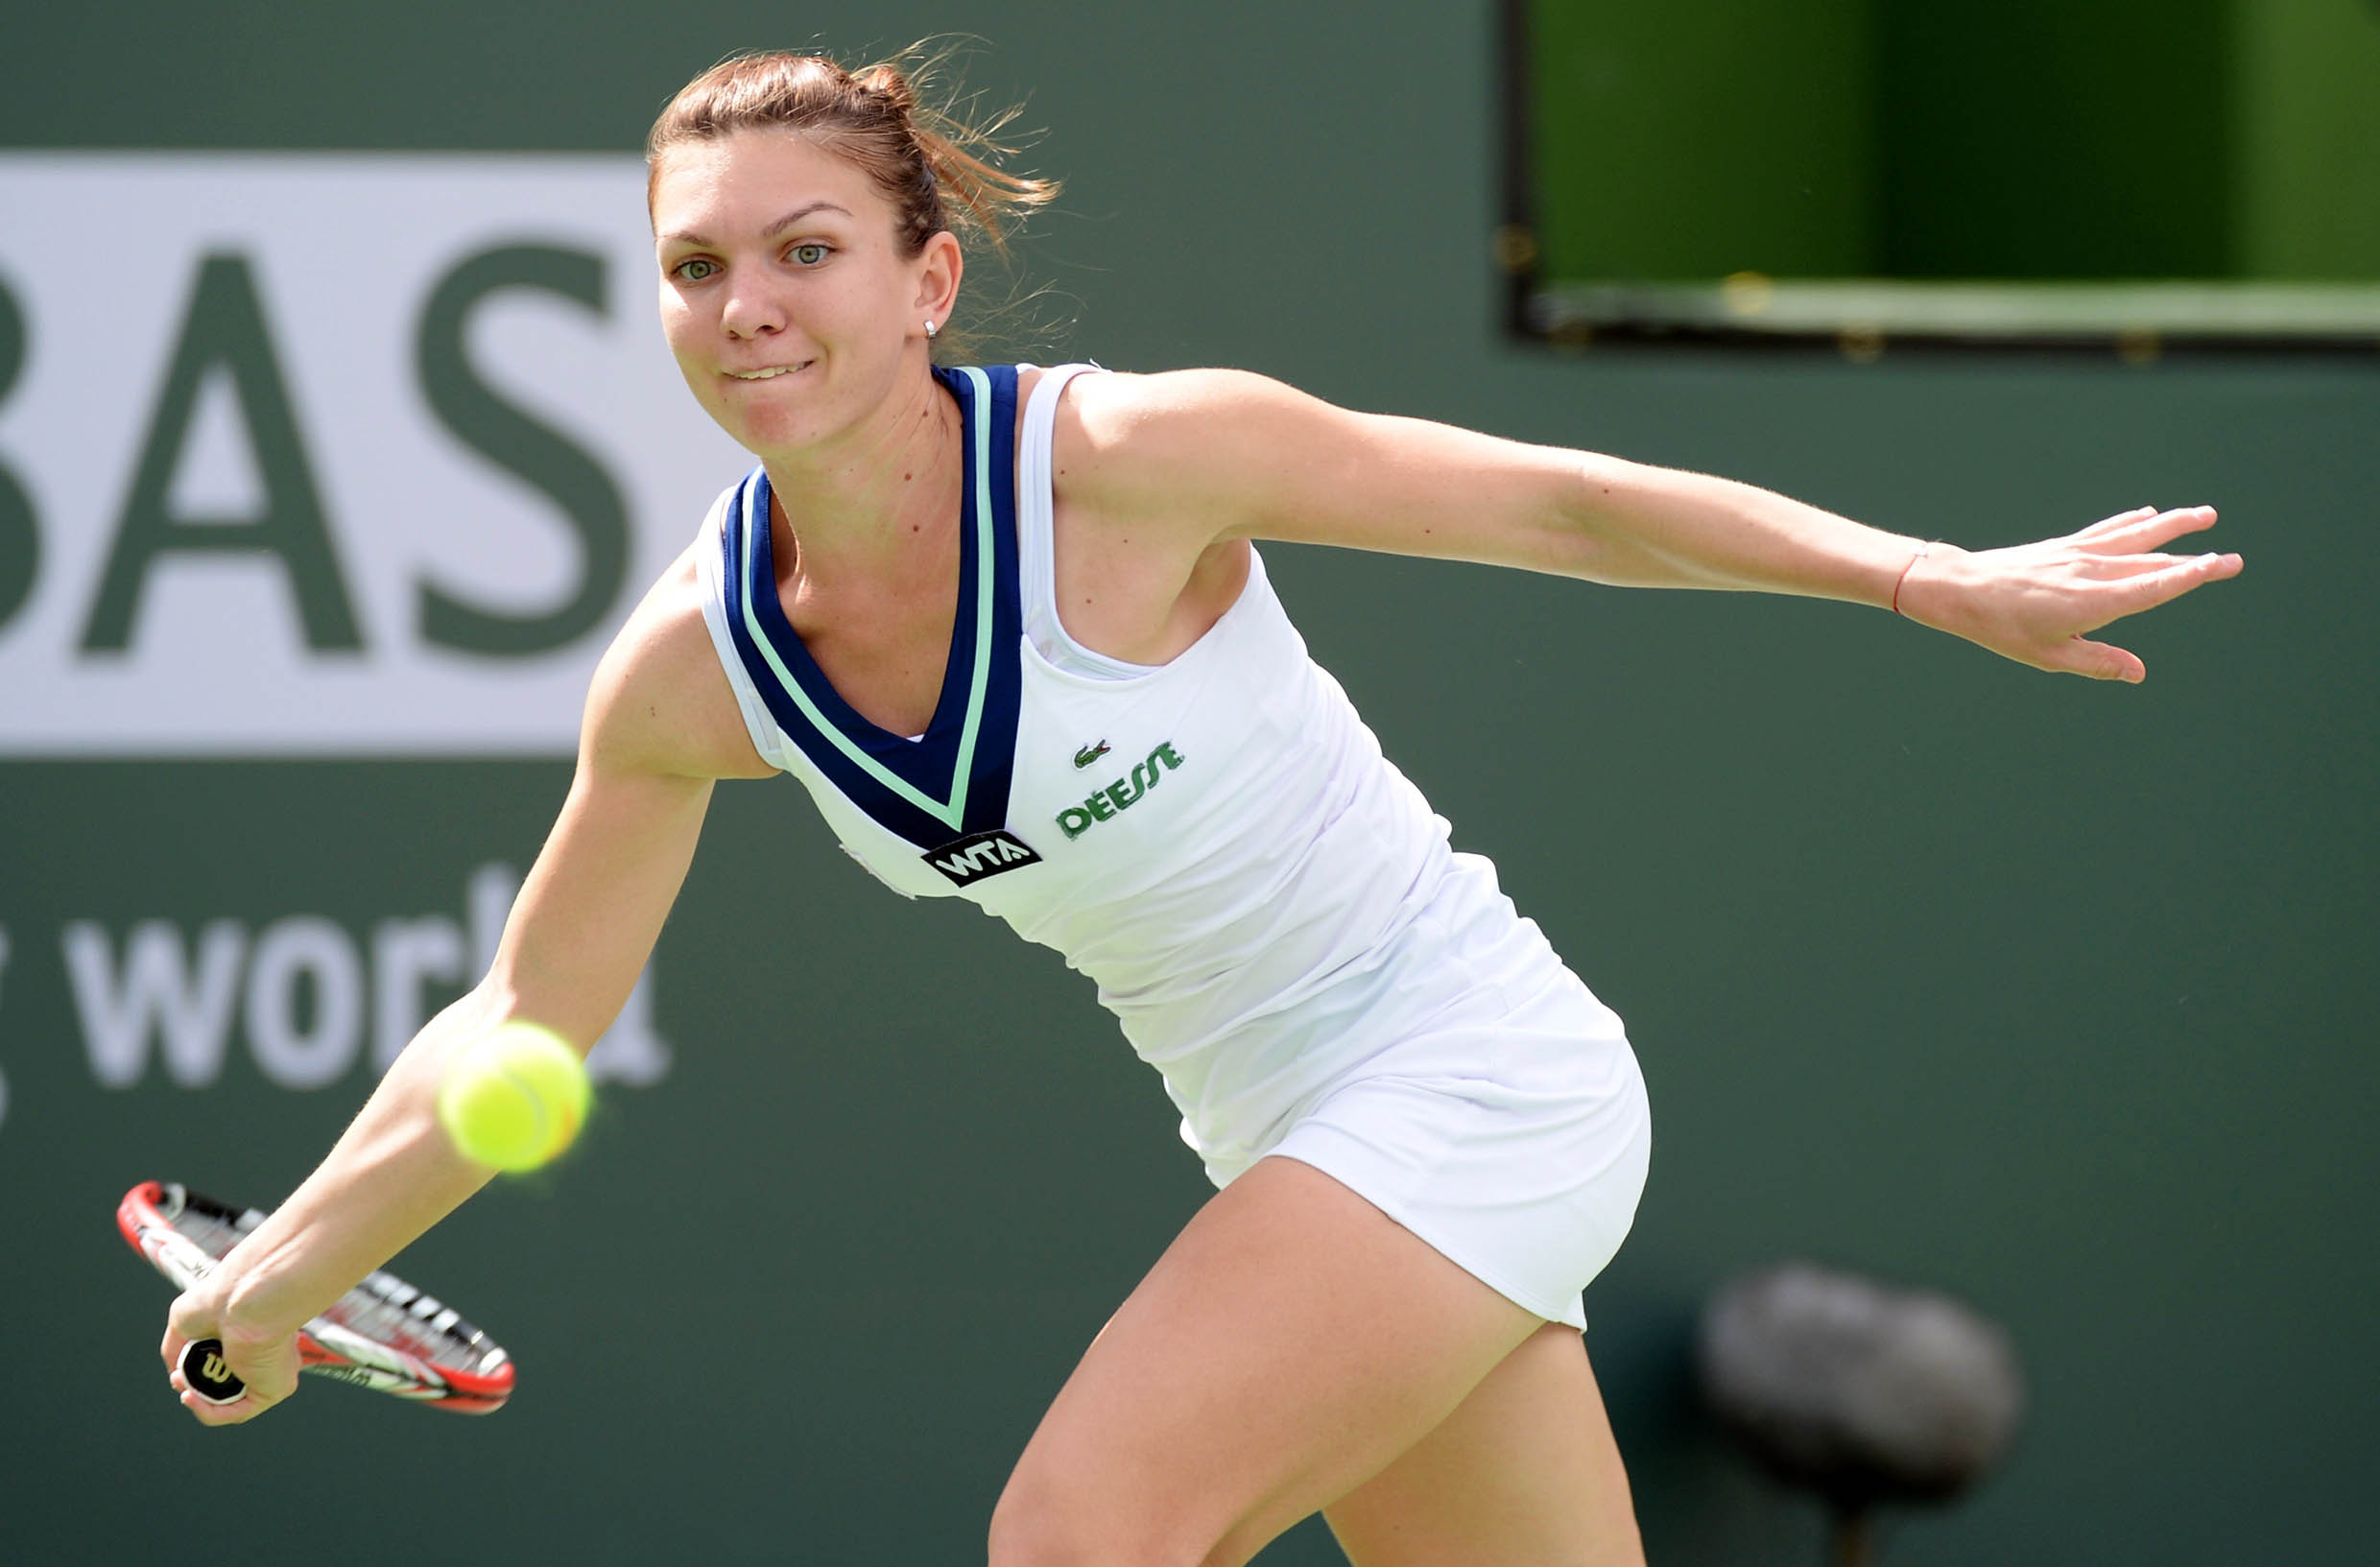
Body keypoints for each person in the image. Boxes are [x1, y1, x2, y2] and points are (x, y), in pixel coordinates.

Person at [158, 49, 2241, 1567]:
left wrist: (1922, 575)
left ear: (927, 280)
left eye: (806, 251)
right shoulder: (691, 673)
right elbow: (524, 1024)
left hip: (1475, 1074)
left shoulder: (1131, 464)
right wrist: (275, 1281)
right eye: (697, 266)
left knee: (1080, 1533)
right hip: (1280, 1141)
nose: (748, 307)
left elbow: (1565, 506)